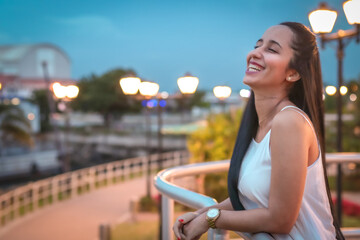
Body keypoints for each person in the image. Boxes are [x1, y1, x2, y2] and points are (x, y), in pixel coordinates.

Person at [173, 22, 344, 240]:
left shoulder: (289, 122)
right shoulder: (262, 124)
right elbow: (247, 198)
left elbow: (280, 220)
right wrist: (200, 213)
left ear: (293, 73)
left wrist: (211, 219)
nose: (255, 53)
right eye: (257, 45)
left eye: (271, 49)